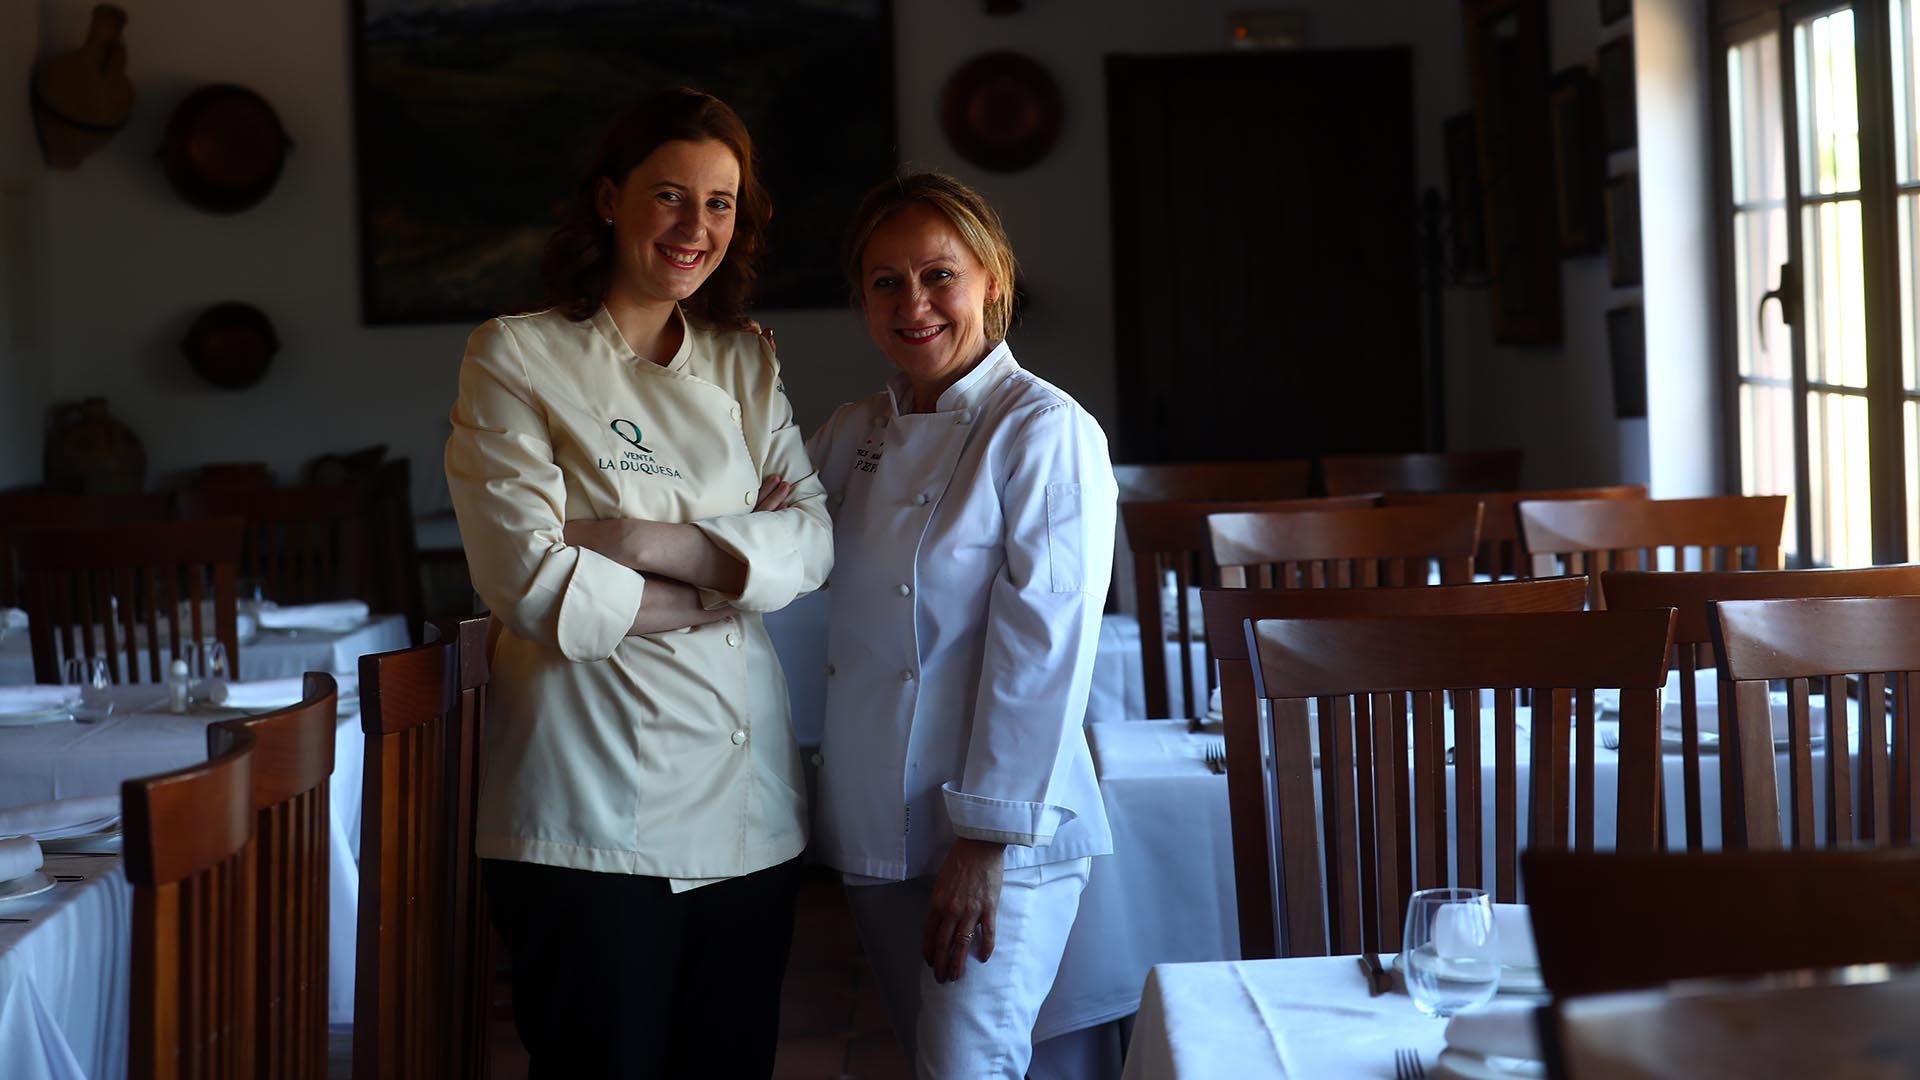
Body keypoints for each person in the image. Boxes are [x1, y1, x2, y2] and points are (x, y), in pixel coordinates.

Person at [443, 86, 832, 1078]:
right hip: (589, 819)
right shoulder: (516, 354)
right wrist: (734, 576)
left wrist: (627, 539)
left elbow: (814, 541)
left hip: (748, 812)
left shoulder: (747, 365)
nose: (694, 227)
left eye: (720, 203)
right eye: (669, 195)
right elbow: (531, 584)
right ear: (610, 199)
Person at [802, 172, 1116, 1078]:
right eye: (886, 282)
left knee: (966, 1068)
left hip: (1000, 835)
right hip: (876, 823)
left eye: (938, 275)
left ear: (991, 278)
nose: (915, 305)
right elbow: (760, 534)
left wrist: (983, 842)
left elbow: (1045, 651)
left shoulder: (1044, 430)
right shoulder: (854, 430)